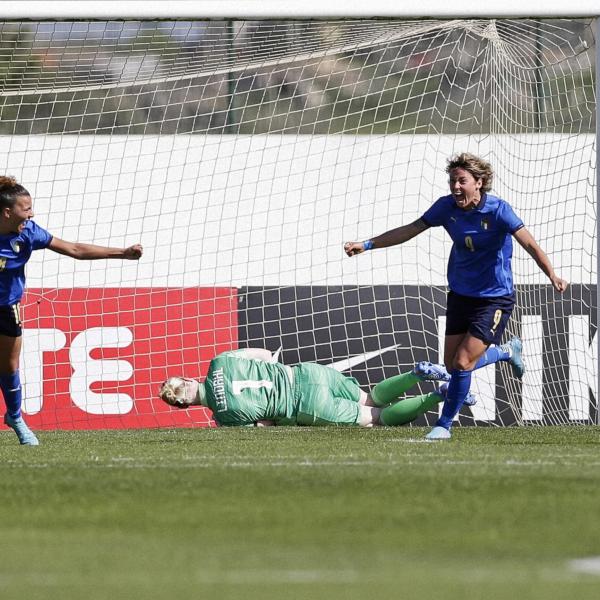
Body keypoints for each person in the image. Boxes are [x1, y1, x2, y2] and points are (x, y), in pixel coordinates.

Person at [344, 152, 568, 440]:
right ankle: (505, 352)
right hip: (461, 295)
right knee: (452, 365)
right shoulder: (446, 207)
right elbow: (410, 230)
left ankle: (444, 425)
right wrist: (367, 244)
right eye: (452, 181)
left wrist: (552, 274)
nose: (455, 187)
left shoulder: (499, 211)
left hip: (494, 299)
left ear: (480, 182)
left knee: (463, 363)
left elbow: (530, 245)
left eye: (462, 181)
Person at [0, 176, 143, 445]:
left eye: (31, 208)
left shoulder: (29, 232)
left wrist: (122, 253)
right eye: (26, 208)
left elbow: (74, 249)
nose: (31, 214)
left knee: (9, 366)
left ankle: (15, 417)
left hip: (6, 308)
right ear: (8, 212)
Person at [158, 347, 476, 427]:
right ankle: (416, 374)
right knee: (370, 395)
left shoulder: (224, 418)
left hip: (306, 406)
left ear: (184, 406)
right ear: (187, 379)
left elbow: (264, 423)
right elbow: (263, 355)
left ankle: (436, 396)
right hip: (307, 374)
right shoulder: (219, 362)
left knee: (376, 417)